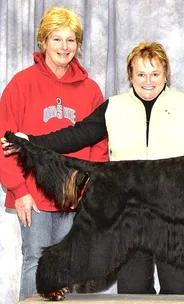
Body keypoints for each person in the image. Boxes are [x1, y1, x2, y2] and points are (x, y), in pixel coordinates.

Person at [3, 42, 184, 295]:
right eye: (141, 74)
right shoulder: (114, 107)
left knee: (176, 288)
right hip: (127, 212)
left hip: (176, 216)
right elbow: (77, 135)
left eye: (155, 74)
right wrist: (32, 142)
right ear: (130, 75)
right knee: (132, 290)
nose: (148, 81)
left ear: (165, 74)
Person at [0, 6, 109, 301]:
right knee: (36, 260)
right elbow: (5, 142)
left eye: (71, 40)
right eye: (57, 39)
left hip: (75, 194)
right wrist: (19, 190)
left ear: (78, 45)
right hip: (33, 195)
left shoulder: (91, 90)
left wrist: (91, 189)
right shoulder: (21, 84)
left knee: (71, 265)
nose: (64, 47)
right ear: (43, 41)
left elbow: (99, 145)